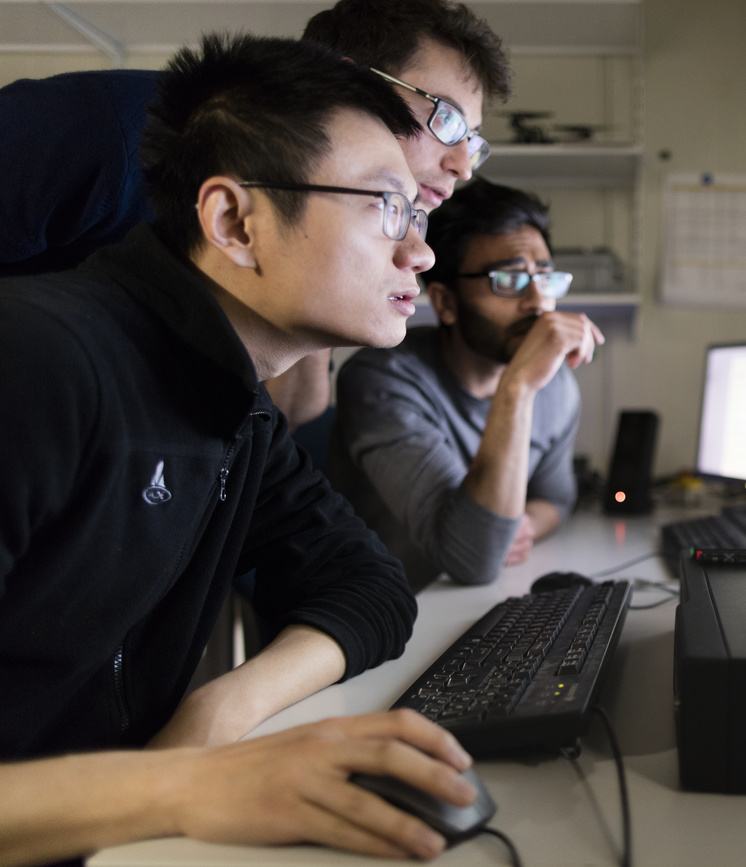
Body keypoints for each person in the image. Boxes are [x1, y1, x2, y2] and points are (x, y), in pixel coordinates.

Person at [0, 35, 474, 865]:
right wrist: (186, 787)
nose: (421, 250)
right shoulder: (41, 361)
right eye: (383, 206)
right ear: (234, 222)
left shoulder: (236, 406)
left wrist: (210, 722)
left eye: (419, 214)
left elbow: (369, 588)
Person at [0, 0, 512, 431]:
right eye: (445, 119)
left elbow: (286, 410)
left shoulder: (342, 229)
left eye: (473, 141)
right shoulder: (119, 123)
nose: (463, 165)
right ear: (353, 79)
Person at [330, 178, 604, 590]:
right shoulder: (382, 380)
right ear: (446, 302)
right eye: (508, 281)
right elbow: (471, 557)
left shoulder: (554, 384)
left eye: (545, 278)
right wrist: (518, 389)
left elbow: (556, 499)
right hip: (375, 612)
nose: (538, 303)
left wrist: (523, 523)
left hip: (466, 608)